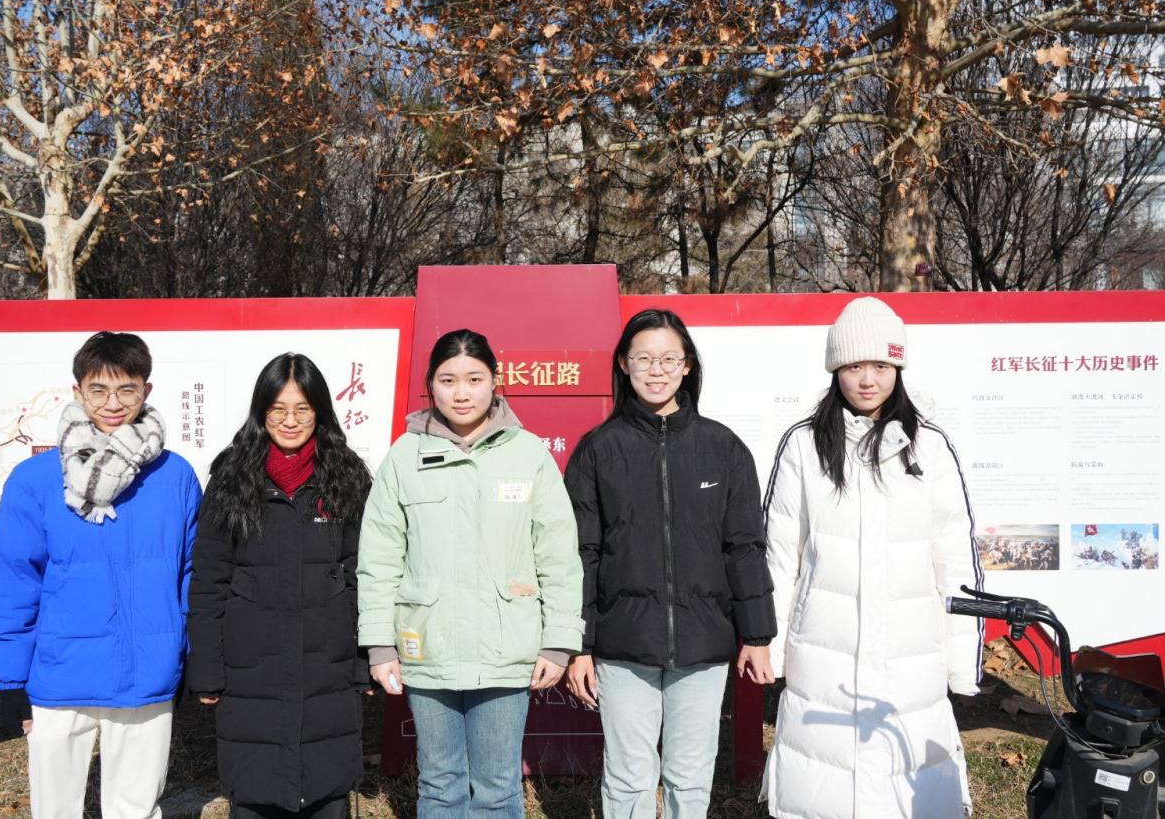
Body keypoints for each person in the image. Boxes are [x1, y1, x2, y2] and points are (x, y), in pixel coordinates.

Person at [762, 296, 983, 819]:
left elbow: (954, 555)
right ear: (835, 369)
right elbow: (780, 554)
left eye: (881, 366)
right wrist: (770, 647)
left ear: (898, 368)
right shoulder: (803, 446)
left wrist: (962, 659)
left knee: (908, 779)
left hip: (912, 648)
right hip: (824, 646)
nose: (867, 380)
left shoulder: (930, 447)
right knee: (823, 785)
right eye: (854, 366)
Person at [357, 328, 584, 819]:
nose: (461, 392)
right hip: (427, 648)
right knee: (439, 785)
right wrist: (379, 645)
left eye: (474, 379)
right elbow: (379, 558)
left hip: (505, 649)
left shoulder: (527, 454)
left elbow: (558, 555)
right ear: (430, 385)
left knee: (498, 787)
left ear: (495, 381)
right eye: (448, 380)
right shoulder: (405, 457)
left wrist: (558, 642)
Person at [562, 308, 778, 819]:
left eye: (667, 359)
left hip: (703, 643)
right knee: (628, 775)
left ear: (687, 366)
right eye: (643, 359)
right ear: (623, 364)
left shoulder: (723, 449)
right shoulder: (599, 450)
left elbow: (744, 546)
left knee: (690, 773)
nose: (655, 370)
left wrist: (757, 634)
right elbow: (580, 554)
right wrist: (578, 646)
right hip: (622, 643)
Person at [0, 331, 201, 819]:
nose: (113, 403)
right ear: (78, 392)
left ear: (146, 390)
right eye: (98, 390)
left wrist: (190, 652)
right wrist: (10, 678)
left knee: (135, 807)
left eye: (127, 389)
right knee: (55, 808)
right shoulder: (36, 479)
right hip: (60, 672)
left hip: (147, 670)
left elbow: (191, 574)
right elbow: (13, 581)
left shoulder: (175, 476)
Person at [186, 353, 371, 819]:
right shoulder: (231, 478)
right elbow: (209, 580)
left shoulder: (346, 476)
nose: (290, 421)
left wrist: (365, 660)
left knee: (327, 787)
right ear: (261, 411)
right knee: (257, 787)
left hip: (327, 664)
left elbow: (362, 575)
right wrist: (206, 667)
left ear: (320, 412)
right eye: (278, 409)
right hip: (252, 665)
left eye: (302, 409)